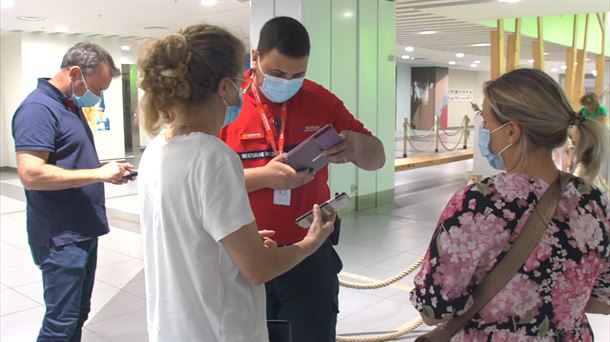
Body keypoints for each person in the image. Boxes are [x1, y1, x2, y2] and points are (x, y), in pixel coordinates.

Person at [136, 24, 336, 341]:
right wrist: (310, 242)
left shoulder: (157, 150)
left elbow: (187, 236)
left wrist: (242, 242)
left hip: (172, 328)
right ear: (225, 87)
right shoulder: (213, 156)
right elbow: (258, 269)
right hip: (217, 330)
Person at [410, 68, 609, 340]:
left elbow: (433, 309)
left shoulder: (477, 203)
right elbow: (603, 299)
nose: (485, 132)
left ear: (512, 131)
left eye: (486, 122)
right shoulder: (594, 201)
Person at [220, 16, 386, 342]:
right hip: (245, 254)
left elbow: (376, 158)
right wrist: (263, 177)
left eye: (298, 75)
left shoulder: (320, 101)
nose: (288, 82)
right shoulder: (226, 101)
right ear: (255, 57)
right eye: (278, 74)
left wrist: (356, 146)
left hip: (308, 253)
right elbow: (203, 181)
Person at [11, 42, 134, 341]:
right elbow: (31, 174)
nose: (99, 96)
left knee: (78, 313)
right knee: (60, 323)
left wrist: (108, 168)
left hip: (81, 231)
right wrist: (97, 174)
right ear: (76, 73)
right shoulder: (38, 109)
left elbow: (67, 159)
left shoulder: (67, 105)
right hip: (60, 238)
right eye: (97, 88)